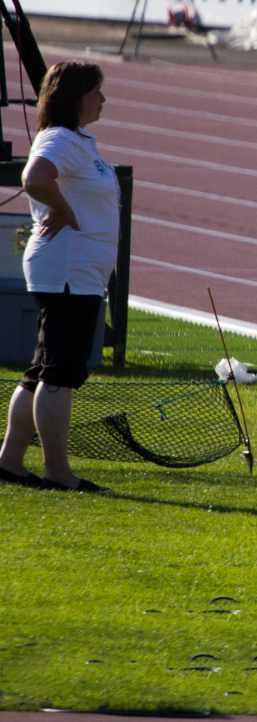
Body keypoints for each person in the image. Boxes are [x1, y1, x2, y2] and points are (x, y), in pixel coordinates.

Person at [0, 62, 116, 494]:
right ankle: (57, 472)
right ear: (73, 97)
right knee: (59, 372)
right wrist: (64, 211)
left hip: (77, 271)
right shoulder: (60, 138)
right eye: (95, 92)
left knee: (42, 369)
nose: (102, 100)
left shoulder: (78, 140)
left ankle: (10, 462)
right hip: (68, 270)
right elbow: (33, 178)